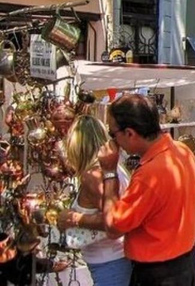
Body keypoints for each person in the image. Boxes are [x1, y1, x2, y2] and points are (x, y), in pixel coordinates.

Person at [97, 94, 195, 286]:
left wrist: (109, 173)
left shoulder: (150, 174)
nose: (113, 141)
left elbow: (113, 226)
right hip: (185, 263)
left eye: (113, 134)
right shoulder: (182, 151)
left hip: (159, 273)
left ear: (130, 133)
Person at [56, 116, 132, 286]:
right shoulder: (116, 168)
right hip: (117, 257)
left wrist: (75, 219)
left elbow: (113, 221)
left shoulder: (93, 176)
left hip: (110, 261)